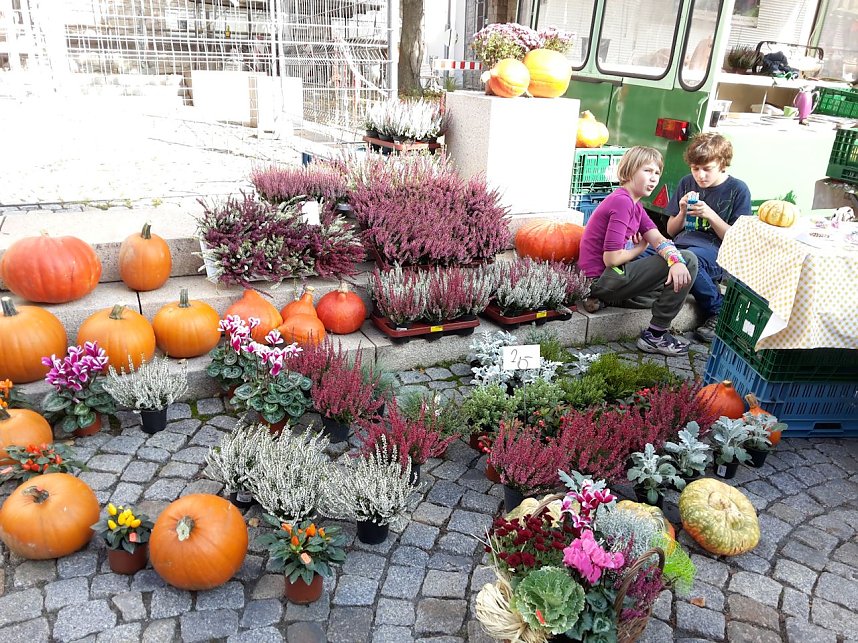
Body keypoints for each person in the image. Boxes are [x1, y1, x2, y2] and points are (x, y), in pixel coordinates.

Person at [579, 147, 699, 356]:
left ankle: (604, 301)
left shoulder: (635, 204)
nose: (654, 179)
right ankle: (655, 335)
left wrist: (674, 261)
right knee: (689, 260)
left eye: (657, 173)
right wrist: (642, 247)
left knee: (674, 276)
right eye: (647, 171)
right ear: (630, 171)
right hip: (601, 279)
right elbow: (611, 259)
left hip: (611, 278)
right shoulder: (622, 202)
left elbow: (659, 239)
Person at [666, 133, 752, 342]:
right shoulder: (687, 182)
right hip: (680, 245)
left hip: (716, 252)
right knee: (648, 251)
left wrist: (711, 215)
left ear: (722, 164)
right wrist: (682, 211)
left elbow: (736, 239)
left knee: (689, 260)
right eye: (695, 168)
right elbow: (670, 231)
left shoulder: (738, 189)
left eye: (707, 169)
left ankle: (718, 311)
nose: (700, 175)